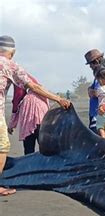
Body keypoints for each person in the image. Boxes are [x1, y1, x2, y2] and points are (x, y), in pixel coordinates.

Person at [0, 35, 70, 196]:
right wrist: (58, 98)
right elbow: (33, 86)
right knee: (2, 146)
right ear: (13, 52)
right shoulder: (10, 66)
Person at [7, 73, 49, 155]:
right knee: (45, 148)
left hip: (28, 123)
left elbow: (17, 102)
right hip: (42, 120)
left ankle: (30, 165)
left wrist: (12, 124)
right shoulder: (42, 95)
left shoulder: (18, 80)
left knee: (29, 148)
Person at [84, 49, 105, 134]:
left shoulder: (103, 74)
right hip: (95, 114)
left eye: (91, 64)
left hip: (99, 116)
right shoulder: (97, 75)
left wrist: (92, 92)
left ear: (96, 61)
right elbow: (90, 90)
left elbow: (97, 93)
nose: (90, 67)